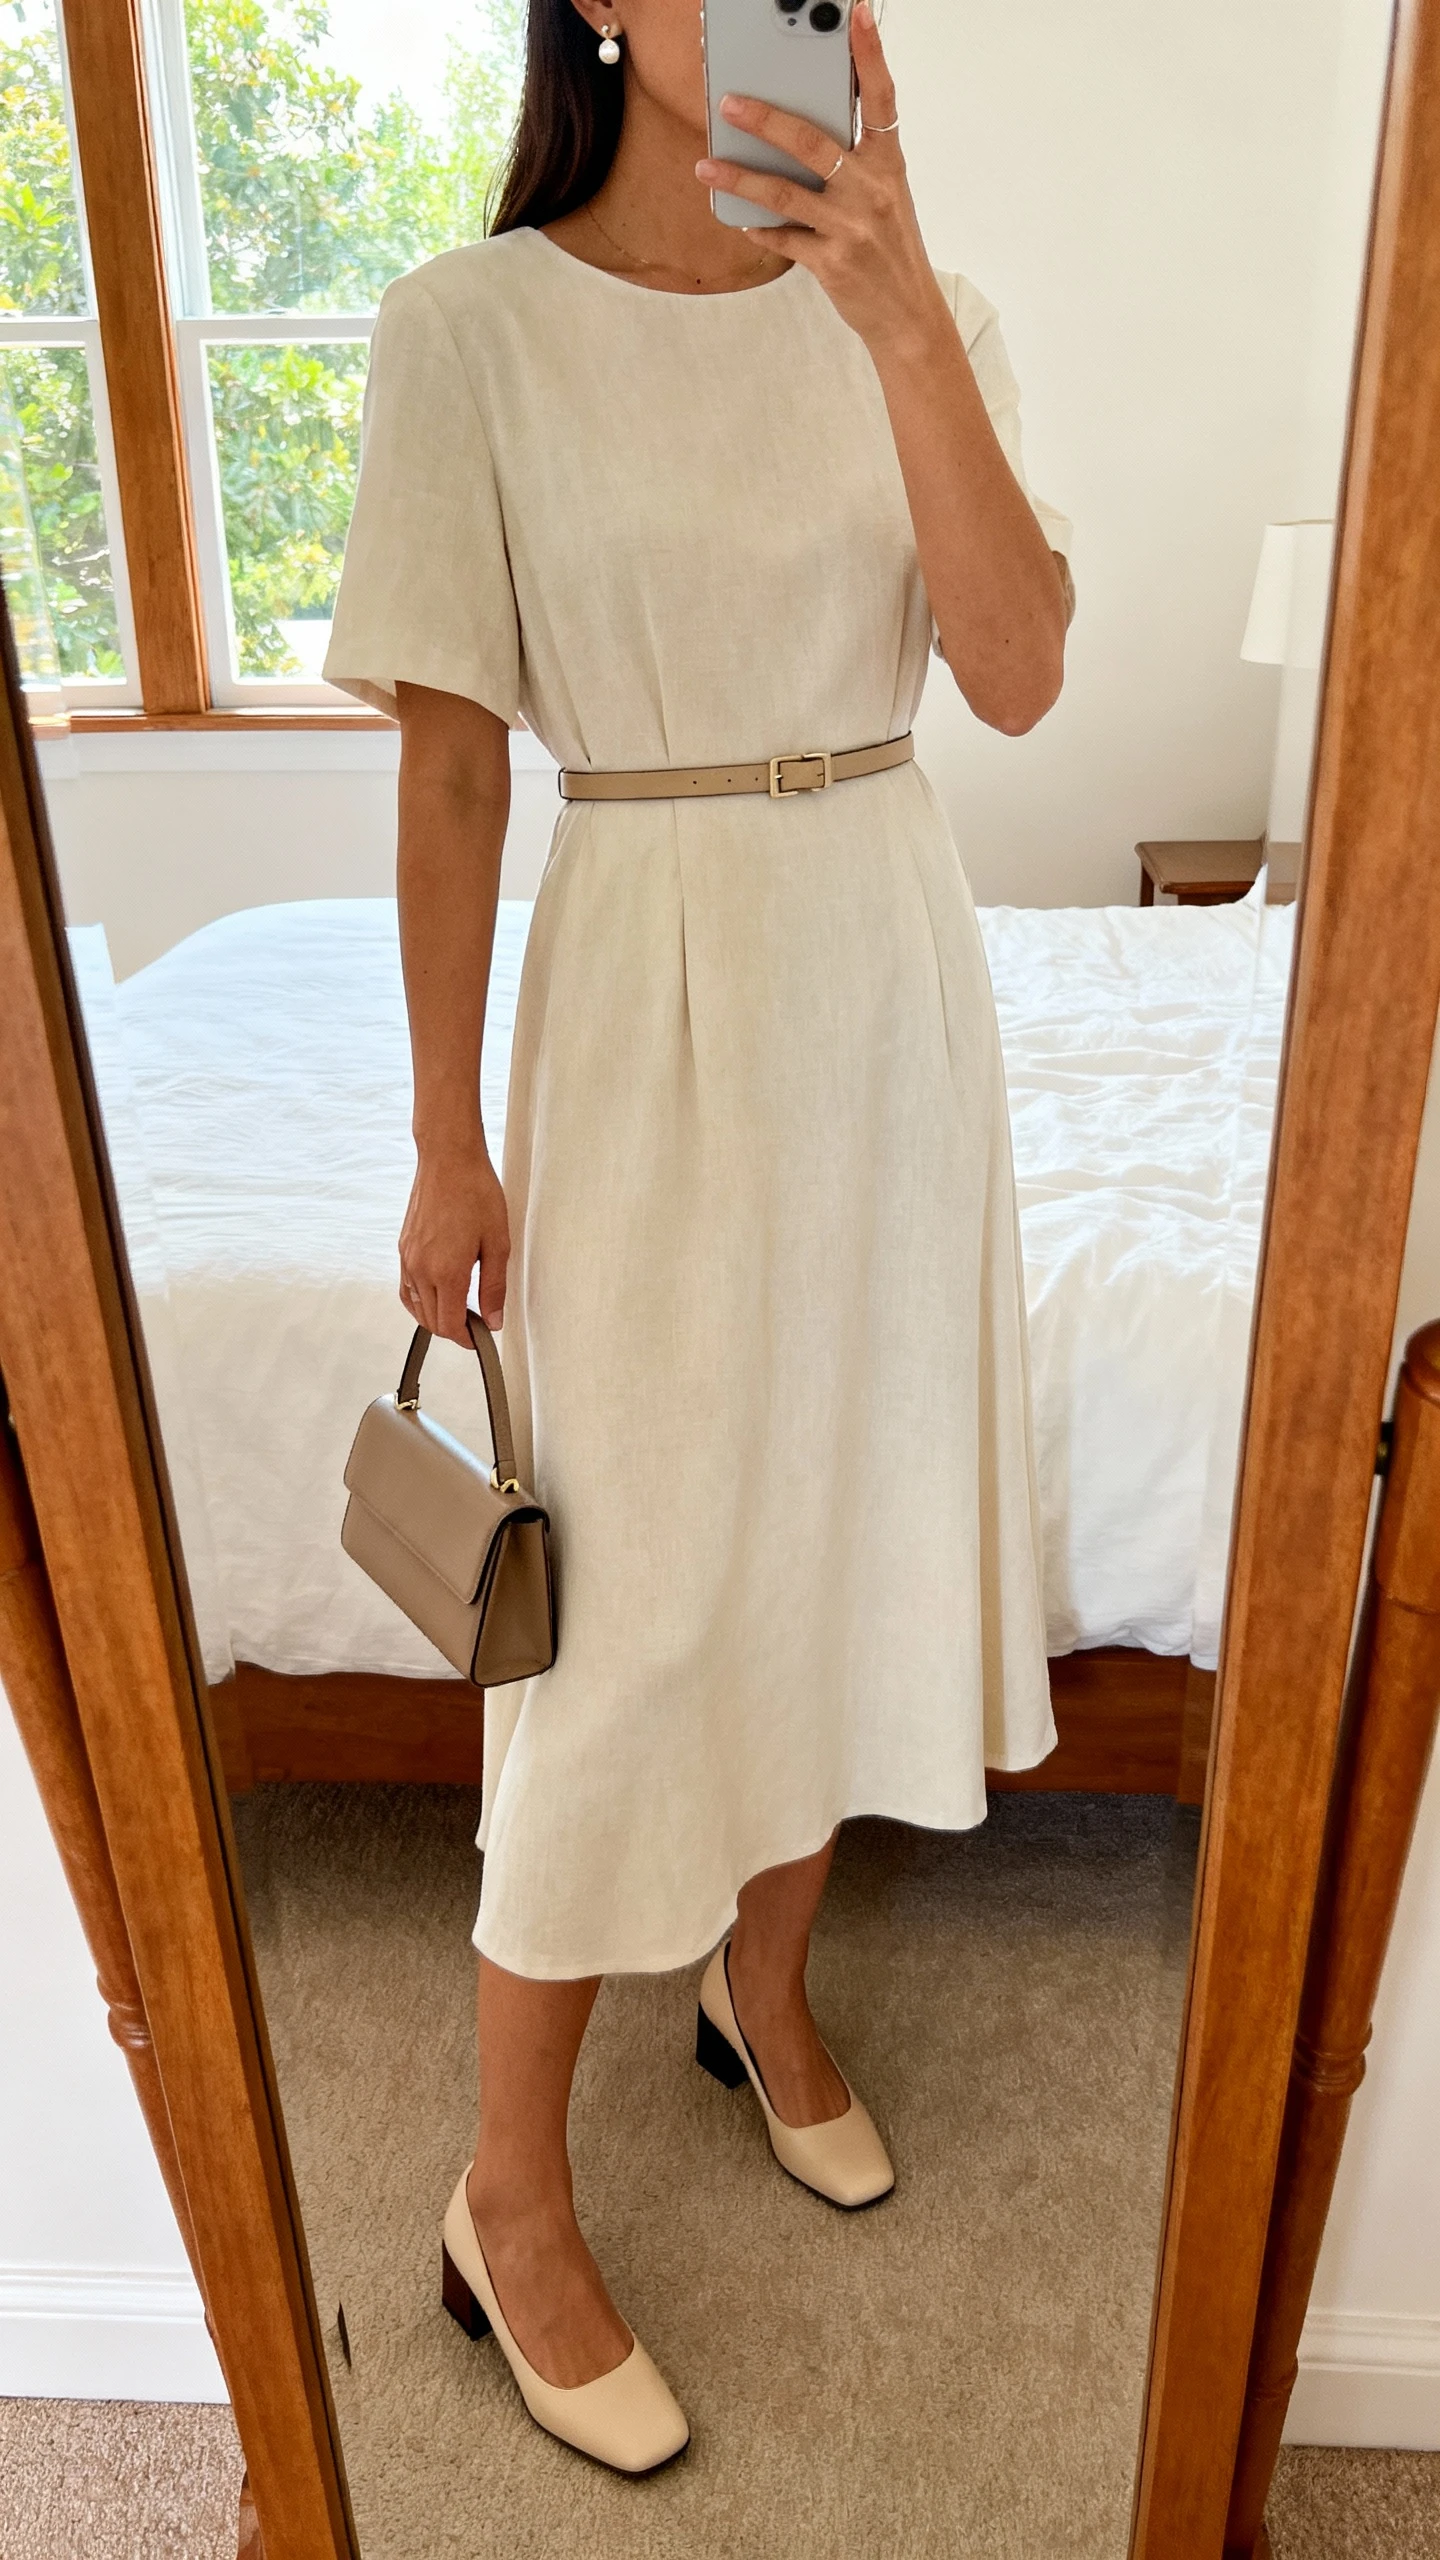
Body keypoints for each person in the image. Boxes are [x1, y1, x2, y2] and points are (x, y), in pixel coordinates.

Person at [325, 0, 1072, 2474]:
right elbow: (447, 760)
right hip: (641, 975)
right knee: (623, 1607)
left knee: (836, 1519)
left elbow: (1023, 664)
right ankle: (502, 2192)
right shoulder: (476, 327)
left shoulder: (916, 305)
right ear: (611, 15)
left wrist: (900, 307)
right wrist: (445, 1135)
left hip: (886, 959)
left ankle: (760, 1984)